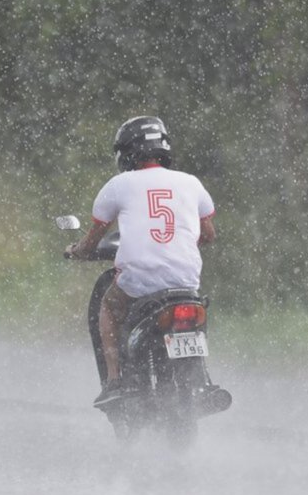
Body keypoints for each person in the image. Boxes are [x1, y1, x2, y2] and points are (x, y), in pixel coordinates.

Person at [65, 116, 216, 407]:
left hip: (142, 280)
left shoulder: (119, 185)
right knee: (197, 314)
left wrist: (78, 250)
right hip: (185, 281)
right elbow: (208, 234)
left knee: (109, 306)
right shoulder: (191, 183)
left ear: (127, 152)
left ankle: (114, 380)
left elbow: (93, 238)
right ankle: (202, 379)